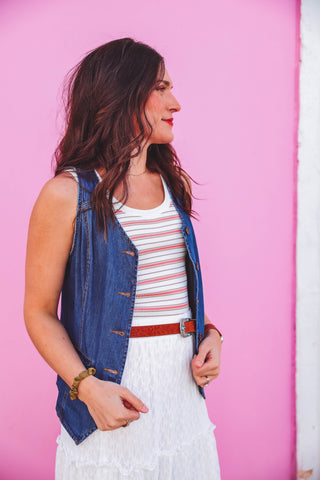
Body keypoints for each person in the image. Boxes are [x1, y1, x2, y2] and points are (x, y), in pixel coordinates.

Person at [24, 37, 223, 479]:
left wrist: (211, 334)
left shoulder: (172, 185)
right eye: (161, 88)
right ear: (121, 94)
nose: (176, 102)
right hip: (110, 393)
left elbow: (170, 288)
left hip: (183, 395)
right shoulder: (65, 194)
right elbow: (38, 312)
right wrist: (87, 388)